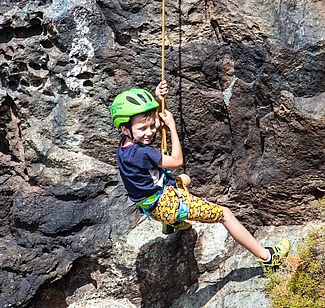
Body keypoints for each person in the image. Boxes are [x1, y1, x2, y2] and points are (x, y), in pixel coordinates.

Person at [109, 80, 290, 274]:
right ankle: (268, 258)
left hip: (150, 203)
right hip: (167, 203)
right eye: (143, 129)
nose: (150, 132)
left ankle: (172, 224)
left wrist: (159, 99)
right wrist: (172, 127)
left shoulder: (124, 147)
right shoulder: (143, 154)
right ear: (126, 129)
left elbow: (155, 121)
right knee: (225, 214)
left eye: (151, 126)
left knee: (185, 179)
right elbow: (177, 160)